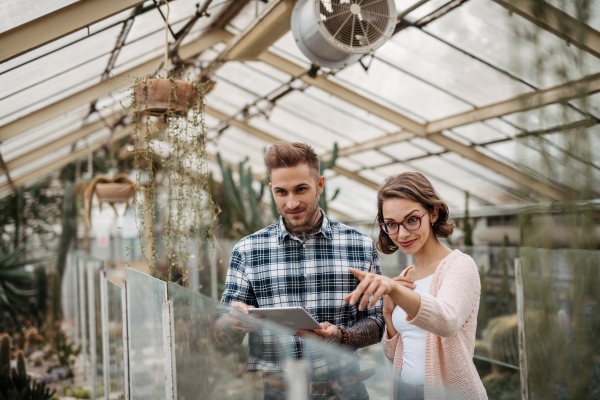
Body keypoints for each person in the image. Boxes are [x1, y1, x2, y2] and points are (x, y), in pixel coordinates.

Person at [214, 142, 385, 399]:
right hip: (280, 392)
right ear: (271, 190)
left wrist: (342, 337)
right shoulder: (247, 250)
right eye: (281, 192)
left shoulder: (359, 245)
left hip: (345, 391)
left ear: (320, 185)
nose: (291, 202)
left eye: (301, 189)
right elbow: (222, 335)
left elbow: (377, 321)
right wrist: (232, 323)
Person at [344, 172, 487, 400]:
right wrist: (388, 314)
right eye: (391, 224)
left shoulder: (459, 265)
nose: (401, 234)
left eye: (411, 220)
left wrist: (394, 290)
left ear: (433, 213)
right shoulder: (406, 275)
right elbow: (395, 355)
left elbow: (447, 320)